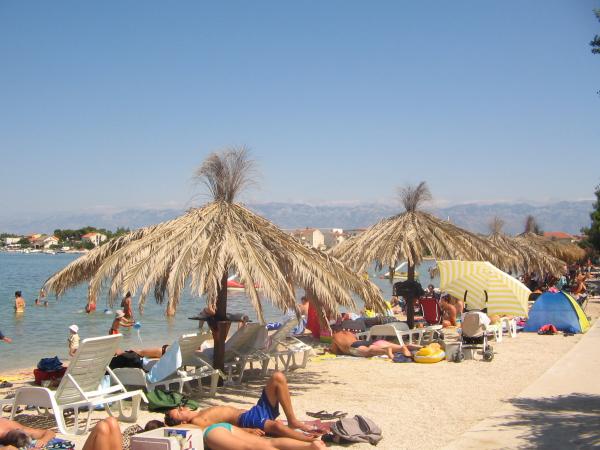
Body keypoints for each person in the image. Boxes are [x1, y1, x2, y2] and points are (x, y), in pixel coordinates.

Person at [165, 371, 322, 443]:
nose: (182, 408)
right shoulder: (197, 421)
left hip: (254, 411)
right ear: (183, 422)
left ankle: (292, 421)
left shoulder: (200, 412)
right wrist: (246, 431)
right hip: (245, 420)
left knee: (277, 377)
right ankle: (308, 441)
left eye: (179, 407)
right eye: (178, 412)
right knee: (276, 427)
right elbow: (221, 428)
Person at [203, 423, 326, 450]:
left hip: (211, 433)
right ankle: (309, 447)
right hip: (224, 427)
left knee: (249, 448)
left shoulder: (197, 420)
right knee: (269, 442)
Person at [330, 330, 420, 359]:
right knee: (400, 347)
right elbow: (357, 339)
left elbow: (335, 351)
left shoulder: (335, 337)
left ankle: (386, 351)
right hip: (370, 341)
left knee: (368, 351)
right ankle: (419, 347)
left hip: (354, 346)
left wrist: (332, 350)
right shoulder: (348, 333)